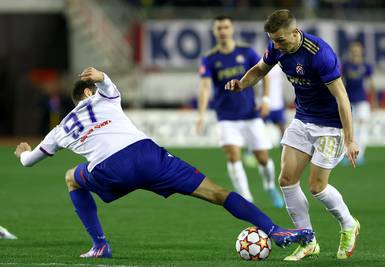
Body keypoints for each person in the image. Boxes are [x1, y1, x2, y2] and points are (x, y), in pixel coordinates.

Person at [14, 67, 313, 258]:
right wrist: (101, 75)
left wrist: (23, 152)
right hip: (149, 156)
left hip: (111, 170)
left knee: (71, 176)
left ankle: (100, 244)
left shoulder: (59, 129)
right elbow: (107, 82)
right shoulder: (103, 98)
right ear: (88, 92)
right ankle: (275, 230)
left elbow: (29, 162)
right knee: (218, 193)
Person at [225, 9, 360, 261]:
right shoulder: (277, 48)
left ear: (295, 32)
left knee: (317, 187)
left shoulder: (320, 54)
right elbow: (258, 70)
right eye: (273, 40)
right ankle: (307, 241)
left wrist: (350, 139)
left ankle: (349, 225)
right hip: (303, 119)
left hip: (331, 125)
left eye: (280, 40)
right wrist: (241, 83)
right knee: (286, 180)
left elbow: (342, 97)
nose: (276, 45)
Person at [196, 15, 284, 208]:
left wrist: (266, 100)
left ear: (231, 29)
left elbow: (264, 73)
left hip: (250, 114)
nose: (222, 31)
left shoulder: (246, 52)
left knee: (263, 158)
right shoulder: (210, 58)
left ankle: (269, 187)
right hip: (226, 116)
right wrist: (201, 115)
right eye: (219, 28)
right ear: (214, 31)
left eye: (225, 27)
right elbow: (204, 87)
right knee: (233, 156)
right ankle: (246, 199)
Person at [341, 41, 376, 165]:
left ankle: (360, 155)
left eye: (358, 50)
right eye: (353, 50)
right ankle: (347, 154)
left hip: (362, 100)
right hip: (349, 100)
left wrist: (374, 101)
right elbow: (341, 82)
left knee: (363, 128)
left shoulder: (366, 66)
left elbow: (371, 84)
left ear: (361, 51)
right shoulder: (346, 65)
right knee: (349, 128)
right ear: (351, 51)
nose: (355, 52)